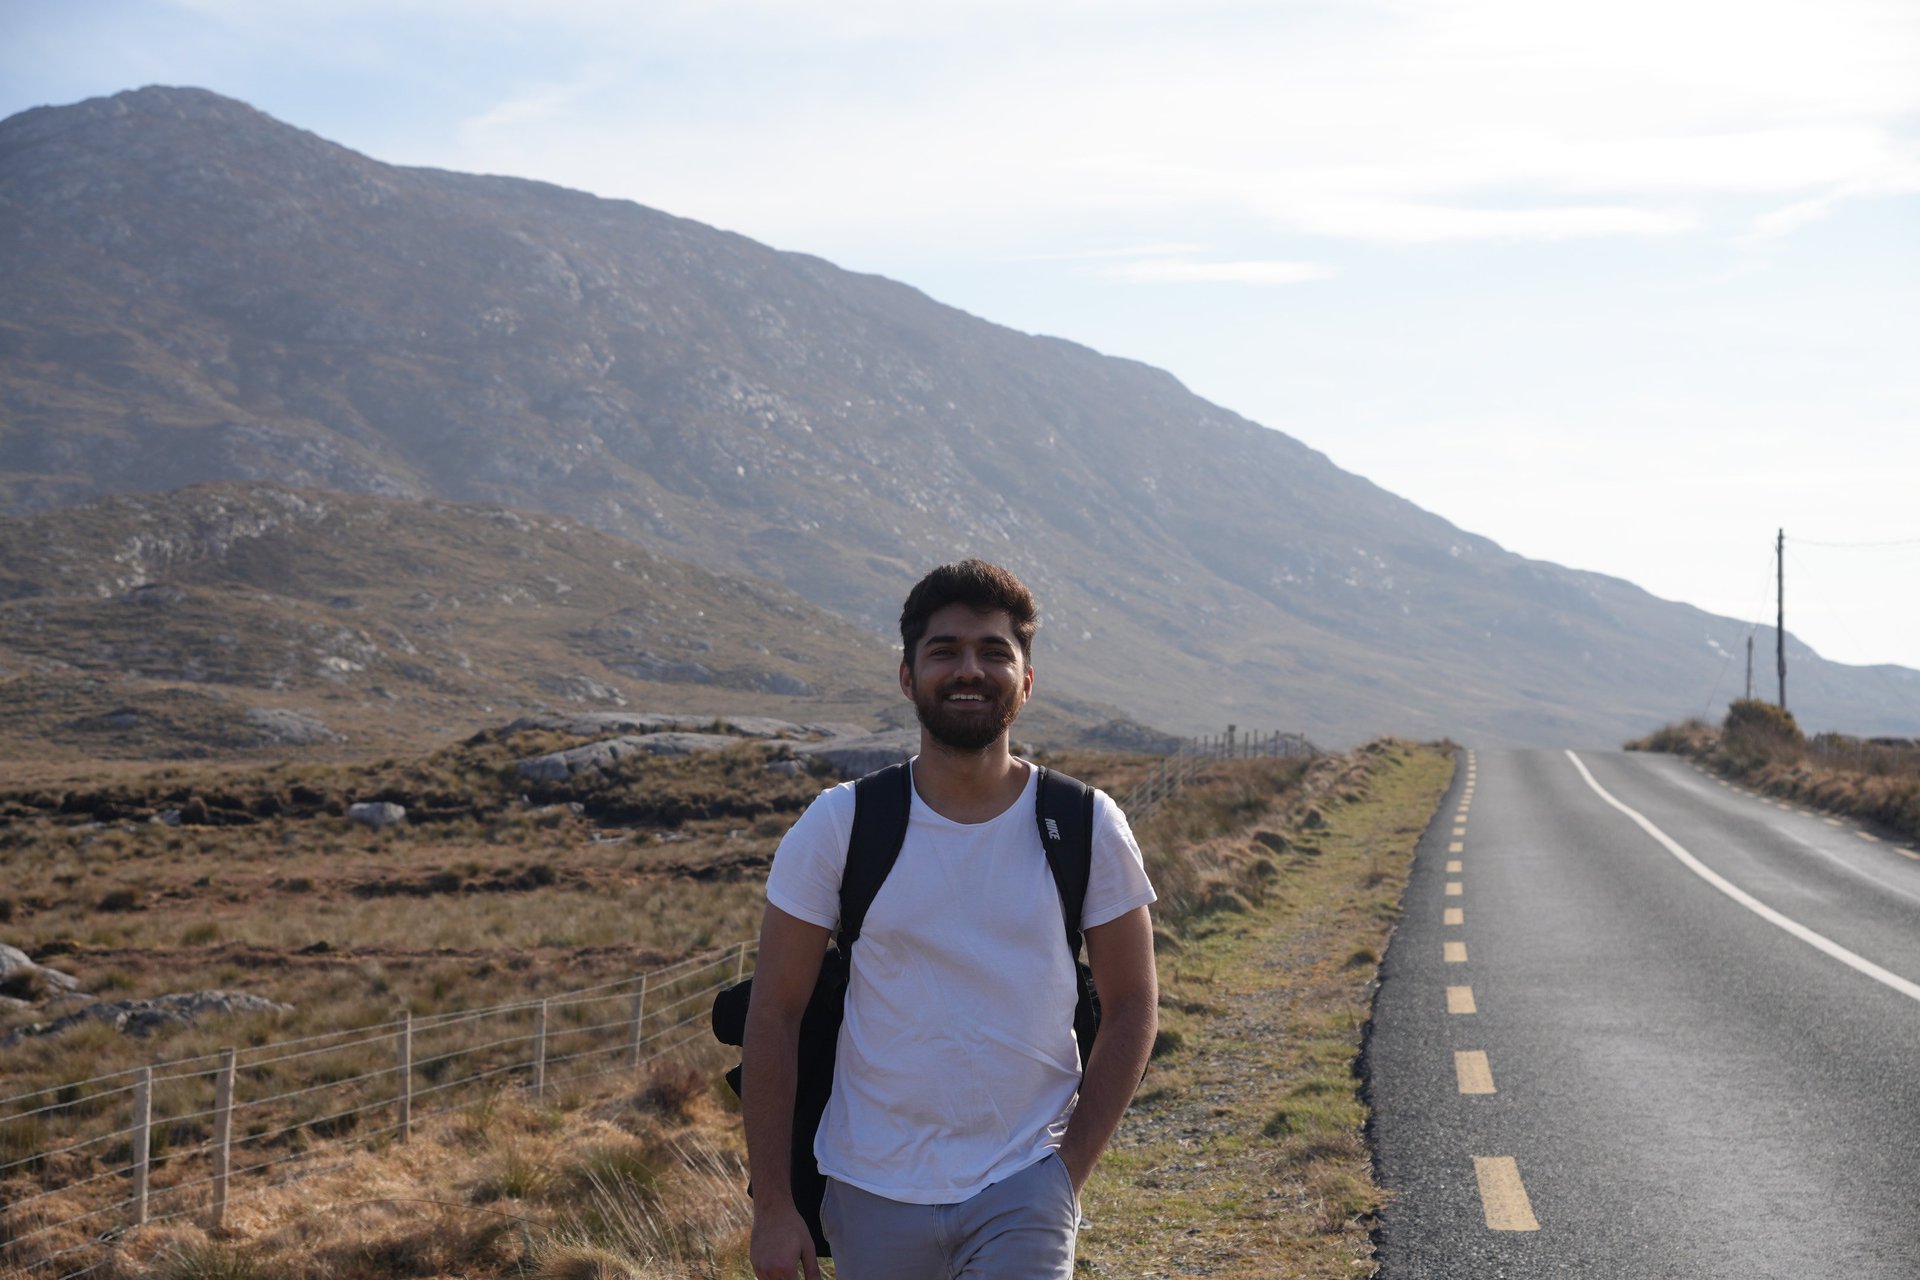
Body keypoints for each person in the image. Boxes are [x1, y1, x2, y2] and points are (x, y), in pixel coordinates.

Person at [742, 558, 1159, 1280]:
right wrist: (774, 1207)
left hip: (1024, 1185)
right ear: (907, 676)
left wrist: (1065, 1174)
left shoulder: (1085, 824)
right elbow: (774, 1013)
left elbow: (1133, 1005)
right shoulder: (840, 825)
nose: (970, 669)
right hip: (868, 1190)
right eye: (945, 651)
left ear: (1026, 681)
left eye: (995, 652)